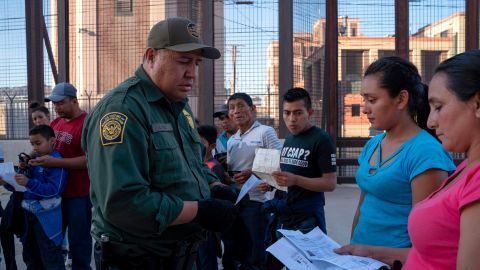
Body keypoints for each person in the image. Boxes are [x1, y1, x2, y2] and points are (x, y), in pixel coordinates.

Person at [81, 17, 238, 270]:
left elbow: (192, 163)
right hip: (138, 257)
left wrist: (214, 186)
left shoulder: (178, 106)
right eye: (184, 61)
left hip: (182, 253)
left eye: (197, 63)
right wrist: (200, 210)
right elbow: (123, 205)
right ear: (151, 57)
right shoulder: (123, 110)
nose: (192, 73)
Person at [336, 50, 480, 269]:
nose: (431, 122)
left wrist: (377, 255)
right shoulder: (373, 145)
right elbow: (364, 205)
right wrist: (360, 247)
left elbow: (429, 239)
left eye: (372, 100)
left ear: (401, 99)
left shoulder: (426, 153)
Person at [34, 82, 92, 270]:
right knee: (53, 239)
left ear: (74, 101)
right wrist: (33, 156)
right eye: (54, 103)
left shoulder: (86, 123)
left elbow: (89, 161)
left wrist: (55, 163)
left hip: (78, 195)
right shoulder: (56, 123)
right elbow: (47, 147)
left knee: (79, 242)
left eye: (60, 103)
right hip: (56, 192)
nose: (56, 107)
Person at [225, 92, 282, 270]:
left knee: (257, 252)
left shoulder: (265, 132)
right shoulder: (231, 140)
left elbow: (279, 160)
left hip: (256, 201)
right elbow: (231, 168)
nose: (236, 111)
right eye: (232, 108)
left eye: (241, 106)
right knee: (238, 249)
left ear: (252, 108)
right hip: (235, 200)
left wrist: (254, 173)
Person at [271, 88, 337, 232]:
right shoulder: (289, 138)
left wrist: (296, 180)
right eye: (287, 113)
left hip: (307, 218)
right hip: (284, 212)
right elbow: (289, 174)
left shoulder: (321, 139)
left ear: (310, 113)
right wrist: (272, 184)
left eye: (298, 113)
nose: (292, 119)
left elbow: (330, 184)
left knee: (308, 255)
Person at [11, 124, 68, 269]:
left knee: (51, 258)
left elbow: (53, 190)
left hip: (48, 221)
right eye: (32, 144)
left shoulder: (56, 162)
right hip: (29, 217)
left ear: (52, 142)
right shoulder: (33, 161)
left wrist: (29, 183)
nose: (34, 147)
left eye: (38, 143)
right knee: (31, 256)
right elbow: (21, 187)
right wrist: (12, 178)